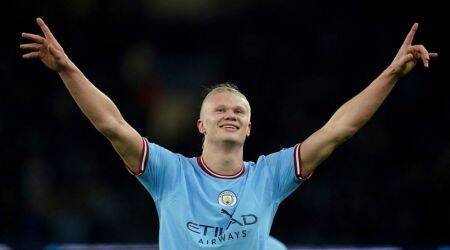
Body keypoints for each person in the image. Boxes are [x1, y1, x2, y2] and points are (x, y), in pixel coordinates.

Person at [20, 18, 437, 249]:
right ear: (200, 124)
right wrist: (67, 69)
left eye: (240, 110)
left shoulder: (269, 176)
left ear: (250, 126)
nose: (231, 114)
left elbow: (339, 128)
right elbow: (111, 124)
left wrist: (391, 73)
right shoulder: (169, 173)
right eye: (219, 109)